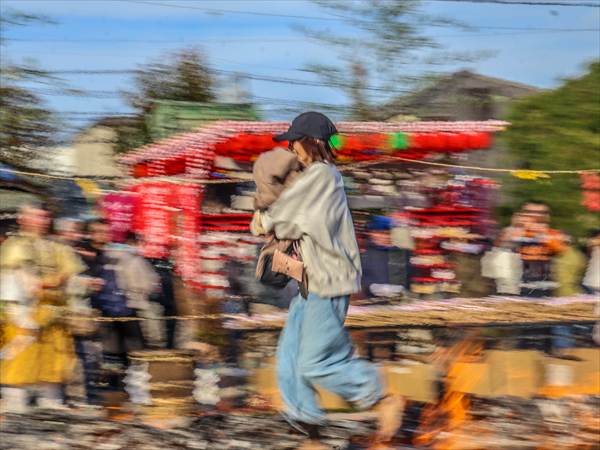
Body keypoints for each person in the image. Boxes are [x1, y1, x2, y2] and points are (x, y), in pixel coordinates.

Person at [252, 112, 404, 449]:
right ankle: (310, 431)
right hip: (311, 285)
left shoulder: (322, 176)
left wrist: (264, 216)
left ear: (311, 142)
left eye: (294, 141)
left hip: (328, 284)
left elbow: (284, 220)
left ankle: (381, 396)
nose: (291, 147)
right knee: (289, 361)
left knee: (315, 364)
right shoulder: (316, 177)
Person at [0, 202, 84, 412]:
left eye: (45, 217)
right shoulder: (14, 246)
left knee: (53, 363)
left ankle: (51, 406)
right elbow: (12, 282)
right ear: (22, 218)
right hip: (25, 312)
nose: (42, 221)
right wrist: (19, 314)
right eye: (37, 216)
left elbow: (71, 279)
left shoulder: (58, 247)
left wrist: (72, 300)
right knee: (20, 361)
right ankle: (15, 407)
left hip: (54, 313)